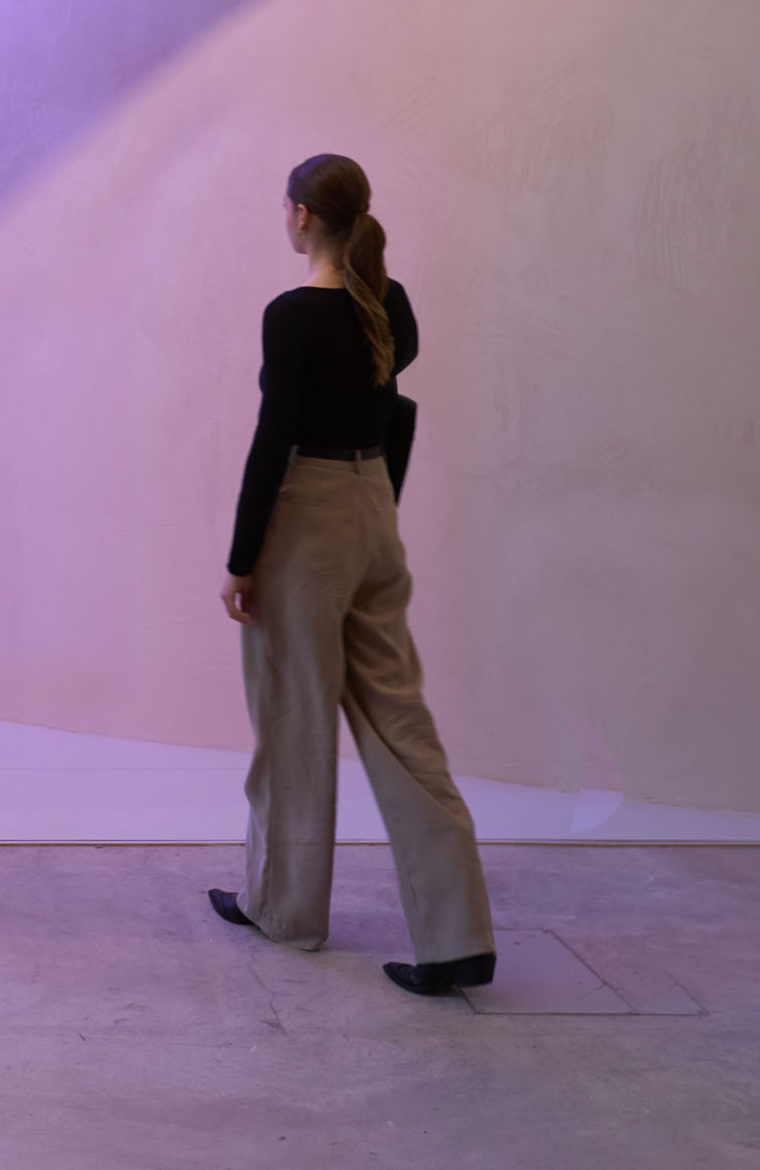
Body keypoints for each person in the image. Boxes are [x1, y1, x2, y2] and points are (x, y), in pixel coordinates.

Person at [204, 153, 497, 996]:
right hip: (374, 509)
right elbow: (390, 398)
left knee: (294, 721)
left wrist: (239, 559)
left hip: (311, 518)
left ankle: (285, 909)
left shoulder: (292, 314)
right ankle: (458, 937)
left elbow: (275, 438)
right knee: (402, 723)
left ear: (301, 216)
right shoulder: (388, 302)